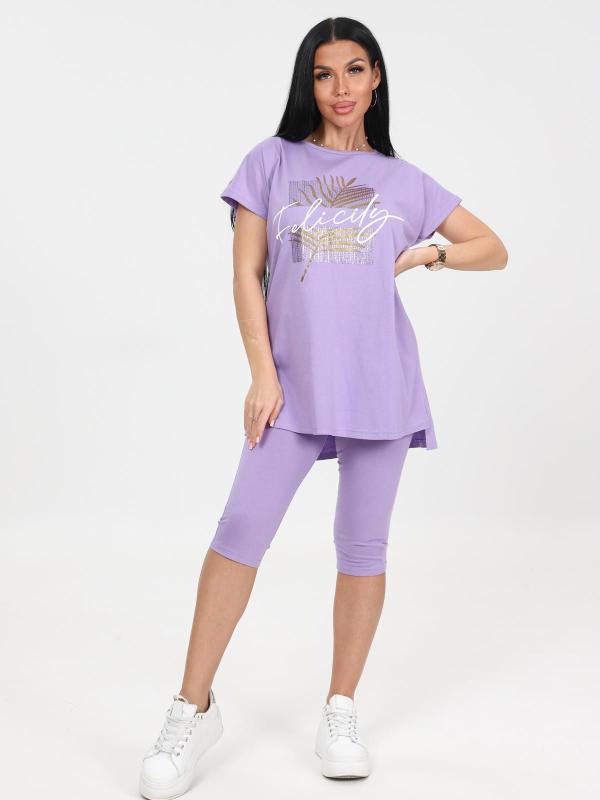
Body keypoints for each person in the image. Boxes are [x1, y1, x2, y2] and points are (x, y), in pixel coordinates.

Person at [138, 15, 508, 798]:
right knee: (241, 531)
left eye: (355, 70)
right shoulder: (271, 162)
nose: (341, 87)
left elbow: (493, 247)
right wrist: (262, 375)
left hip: (380, 382)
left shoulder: (405, 181)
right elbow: (246, 273)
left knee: (362, 546)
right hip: (292, 387)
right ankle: (191, 709)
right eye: (324, 73)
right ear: (308, 83)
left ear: (376, 80)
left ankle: (340, 709)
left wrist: (431, 253)